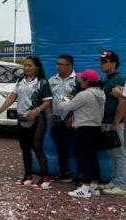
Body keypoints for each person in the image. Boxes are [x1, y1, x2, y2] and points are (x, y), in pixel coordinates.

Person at [0, 56, 53, 189]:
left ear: (37, 67)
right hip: (21, 118)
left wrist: (36, 111)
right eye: (25, 65)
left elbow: (47, 101)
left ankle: (45, 178)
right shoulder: (20, 81)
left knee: (37, 147)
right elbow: (12, 97)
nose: (26, 68)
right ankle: (28, 176)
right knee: (25, 148)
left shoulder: (42, 82)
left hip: (37, 119)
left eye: (30, 65)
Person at [57, 69, 105, 198]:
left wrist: (62, 100)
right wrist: (75, 100)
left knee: (84, 158)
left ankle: (85, 187)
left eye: (82, 79)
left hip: (84, 129)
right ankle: (94, 187)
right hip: (96, 128)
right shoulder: (100, 93)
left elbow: (67, 107)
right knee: (92, 158)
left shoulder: (84, 94)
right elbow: (83, 105)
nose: (80, 81)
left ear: (87, 81)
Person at [97, 50, 126, 195]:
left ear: (113, 63)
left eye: (104, 62)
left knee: (119, 154)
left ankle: (122, 185)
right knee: (113, 153)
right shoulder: (106, 79)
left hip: (116, 123)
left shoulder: (120, 79)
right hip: (106, 121)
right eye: (100, 61)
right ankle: (115, 181)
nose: (101, 64)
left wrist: (116, 122)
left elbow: (123, 101)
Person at [48, 55, 76, 183]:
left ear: (69, 66)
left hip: (74, 121)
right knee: (61, 147)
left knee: (79, 148)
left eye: (61, 64)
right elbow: (47, 99)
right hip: (57, 120)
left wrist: (74, 117)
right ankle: (64, 173)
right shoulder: (52, 80)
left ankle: (83, 176)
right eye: (57, 63)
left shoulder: (78, 80)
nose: (57, 66)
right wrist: (49, 112)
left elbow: (84, 101)